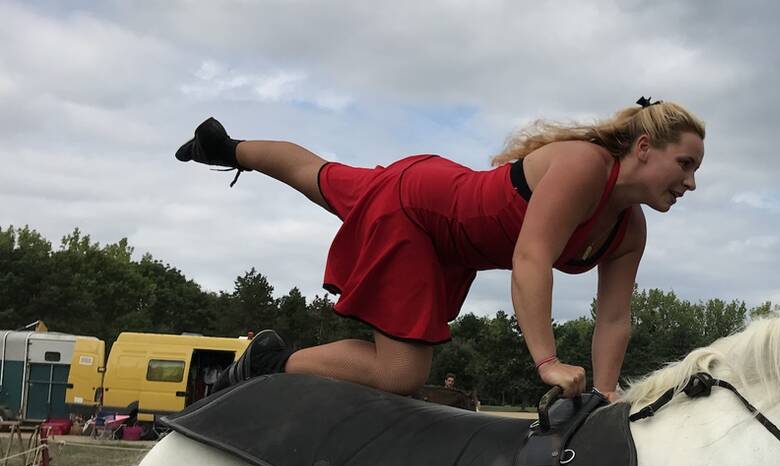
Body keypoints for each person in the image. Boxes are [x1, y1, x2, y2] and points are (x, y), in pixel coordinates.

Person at [176, 98, 705, 401]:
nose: (691, 184)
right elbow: (531, 258)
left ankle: (223, 149)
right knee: (401, 375)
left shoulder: (628, 229)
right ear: (642, 148)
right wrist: (546, 361)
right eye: (685, 164)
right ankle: (270, 361)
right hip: (419, 212)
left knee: (319, 175)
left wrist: (603, 394)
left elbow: (614, 318)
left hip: (447, 237)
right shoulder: (585, 165)